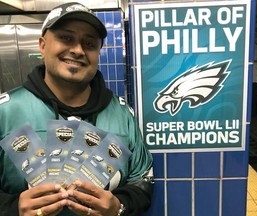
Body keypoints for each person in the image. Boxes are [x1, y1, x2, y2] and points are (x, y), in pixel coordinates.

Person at [0, 2, 154, 216]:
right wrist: (12, 208)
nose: (78, 50)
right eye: (66, 38)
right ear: (43, 46)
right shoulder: (5, 112)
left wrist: (118, 206)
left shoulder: (122, 115)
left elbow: (143, 182)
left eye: (89, 43)